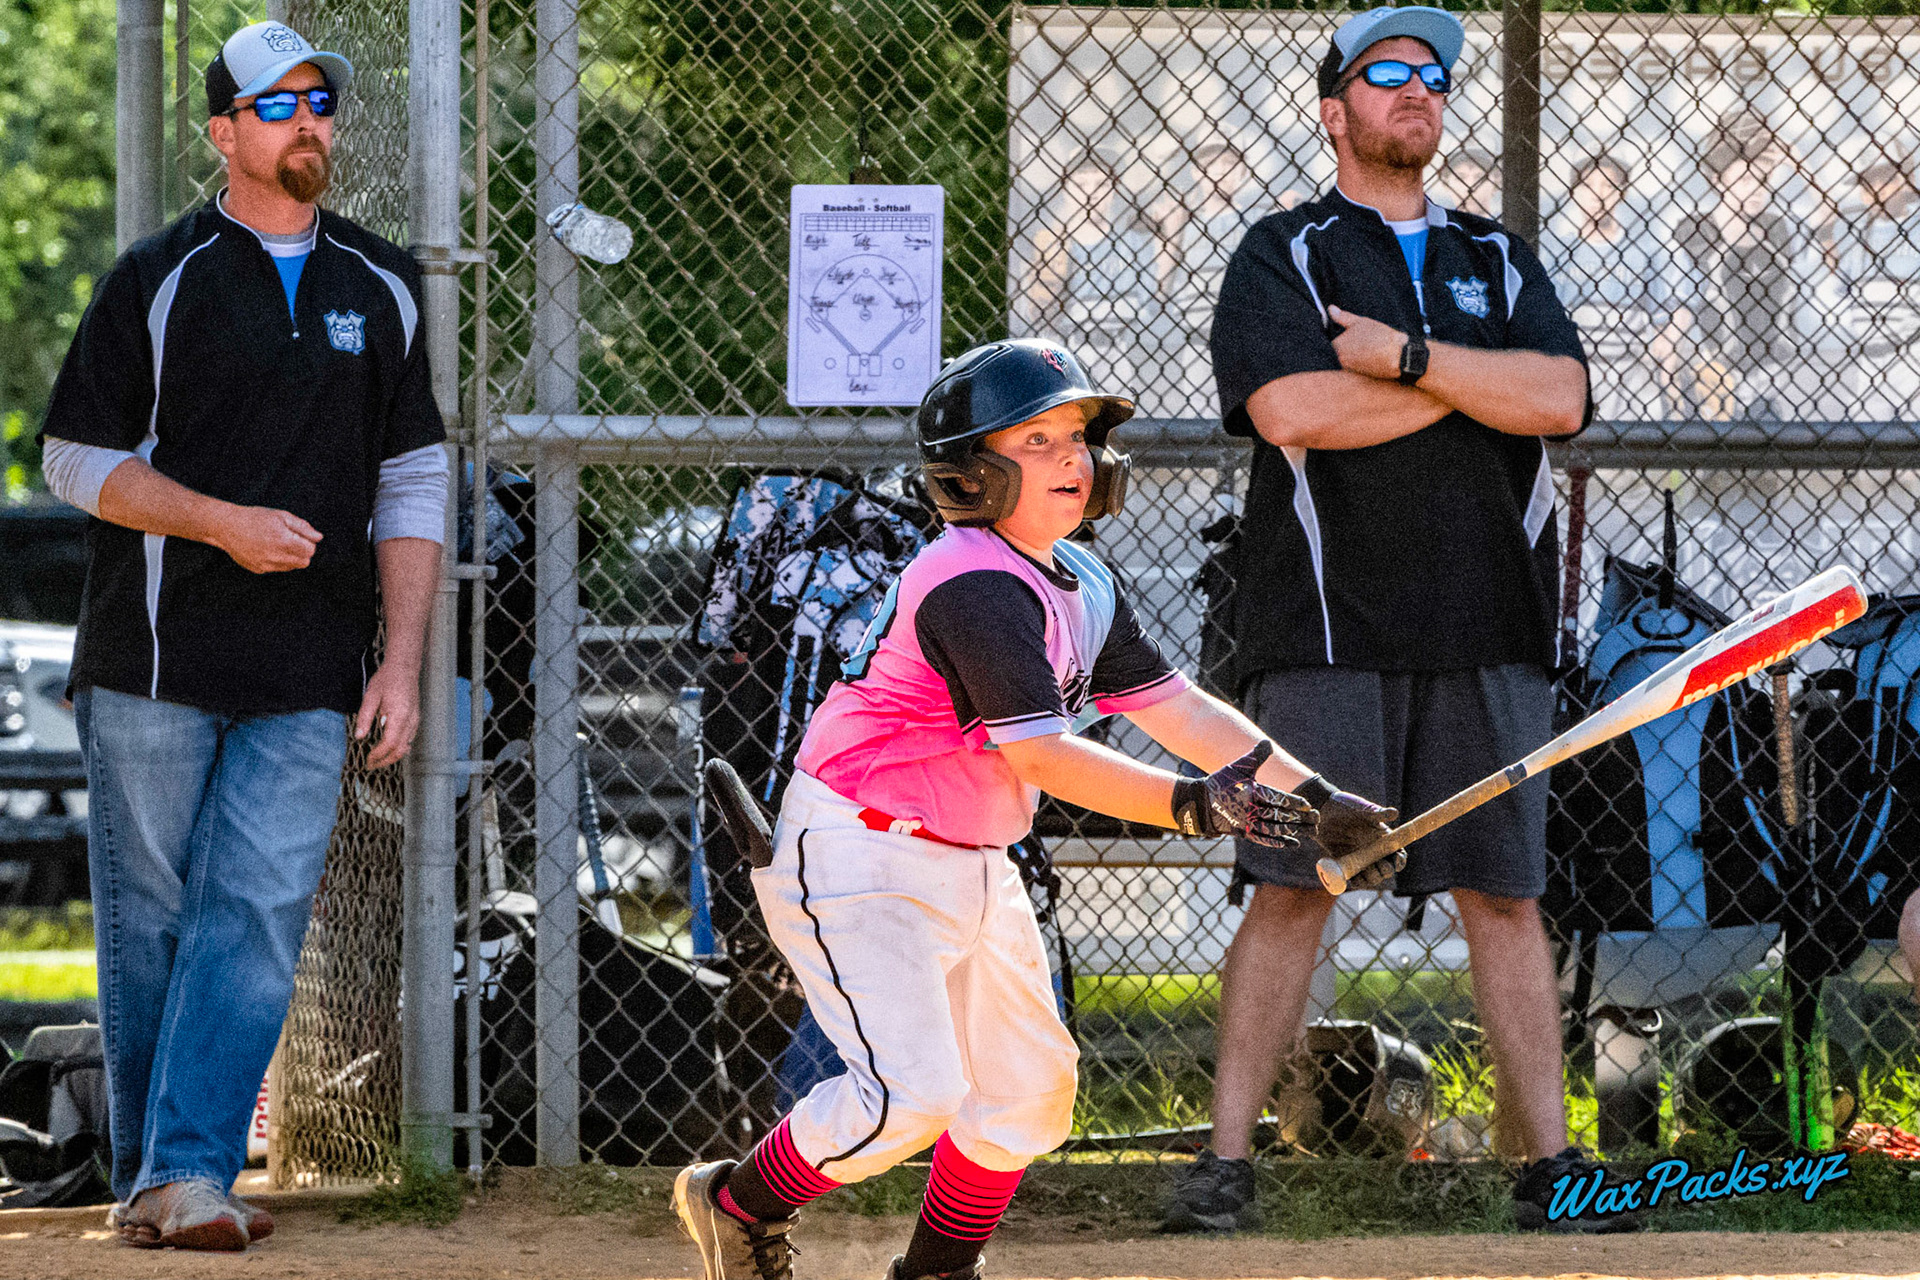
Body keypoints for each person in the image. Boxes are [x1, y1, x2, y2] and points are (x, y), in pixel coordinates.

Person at [670, 338, 1395, 1280]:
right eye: (1038, 439)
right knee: (910, 1096)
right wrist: (1194, 806)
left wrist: (1318, 799)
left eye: (1079, 439)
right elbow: (1041, 753)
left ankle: (936, 1270)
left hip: (974, 857)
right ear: (970, 478)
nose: (1073, 458)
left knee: (1031, 1097)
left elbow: (1175, 708)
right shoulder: (970, 580)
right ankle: (735, 1201)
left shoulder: (1080, 578)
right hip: (858, 852)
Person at [1173, 4, 1635, 1235]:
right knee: (1292, 885)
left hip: (1491, 624)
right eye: (1385, 74)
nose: (1415, 89)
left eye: (1432, 75)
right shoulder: (1288, 251)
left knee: (1507, 895)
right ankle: (1224, 1168)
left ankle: (1550, 1170)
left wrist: (1405, 359)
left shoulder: (1500, 255)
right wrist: (1468, 385)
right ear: (1336, 110)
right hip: (1327, 627)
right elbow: (1290, 411)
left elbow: (1563, 395)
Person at [35, 20, 447, 1251]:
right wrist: (217, 524)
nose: (306, 120)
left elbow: (414, 480)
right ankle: (166, 1177)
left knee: (259, 909)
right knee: (155, 919)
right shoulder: (156, 276)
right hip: (153, 663)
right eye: (276, 105)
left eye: (320, 101)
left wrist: (405, 662)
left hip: (309, 671)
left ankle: (183, 1173)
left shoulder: (380, 286)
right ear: (223, 132)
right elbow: (71, 458)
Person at [1543, 154, 1685, 421]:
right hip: (1572, 370)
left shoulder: (1643, 250)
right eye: (1589, 186)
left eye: (1609, 185)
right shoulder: (1557, 250)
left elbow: (1666, 317)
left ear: (1622, 193)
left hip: (1630, 374)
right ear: (1575, 193)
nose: (1598, 195)